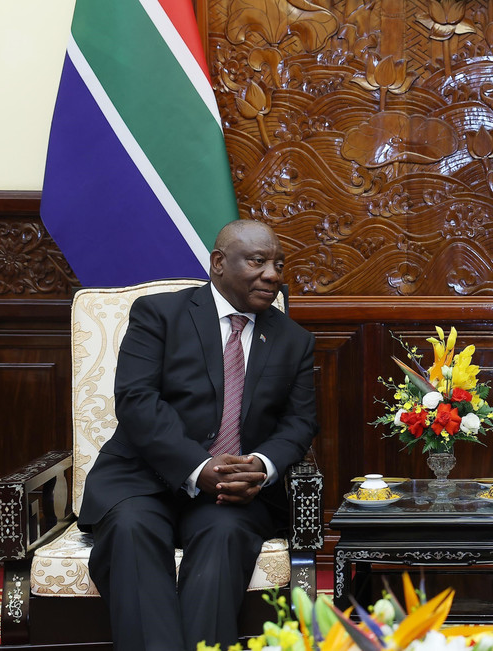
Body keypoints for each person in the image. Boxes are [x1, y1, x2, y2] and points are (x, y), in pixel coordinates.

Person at [78, 220, 319, 651]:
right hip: (142, 480)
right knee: (132, 531)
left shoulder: (293, 340)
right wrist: (197, 466)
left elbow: (299, 422)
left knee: (224, 538)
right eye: (258, 261)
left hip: (234, 494)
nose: (272, 275)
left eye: (279, 265)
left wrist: (260, 467)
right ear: (218, 263)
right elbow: (136, 400)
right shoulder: (160, 315)